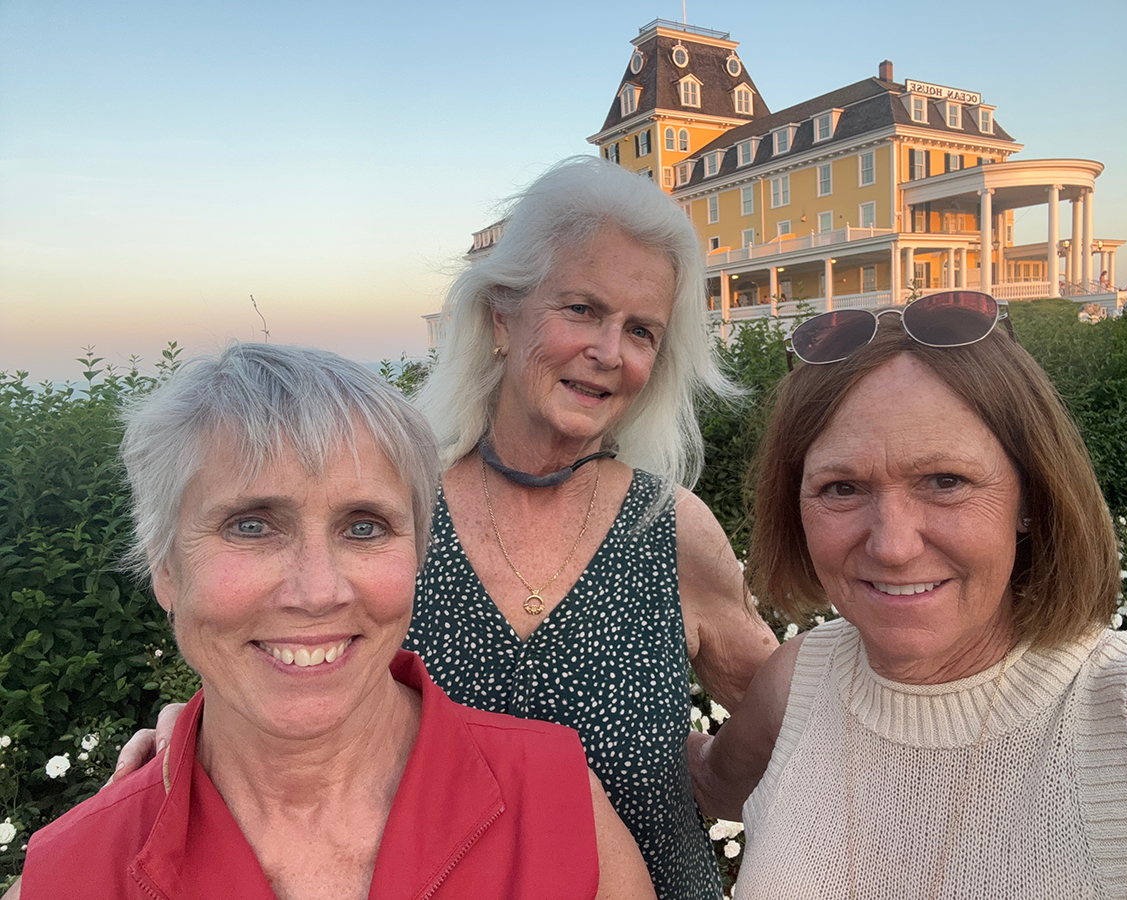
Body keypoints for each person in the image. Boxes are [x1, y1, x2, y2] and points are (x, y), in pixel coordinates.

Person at [113, 157, 779, 900]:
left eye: (642, 331)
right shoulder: (391, 517)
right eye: (582, 309)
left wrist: (720, 779)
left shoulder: (670, 528)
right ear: (502, 317)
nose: (609, 352)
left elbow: (784, 704)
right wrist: (198, 737)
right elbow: (293, 650)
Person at [9, 344, 654, 900]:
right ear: (165, 568)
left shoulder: (554, 804)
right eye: (252, 525)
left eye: (364, 527)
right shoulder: (75, 873)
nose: (318, 590)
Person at [689, 292, 1127, 898]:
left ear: (1031, 499)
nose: (894, 546)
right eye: (842, 487)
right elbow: (710, 783)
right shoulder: (798, 680)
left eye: (945, 481)